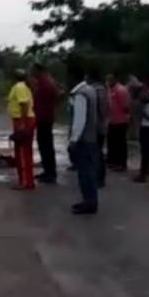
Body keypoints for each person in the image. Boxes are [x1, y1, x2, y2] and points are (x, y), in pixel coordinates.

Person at [68, 69, 100, 214]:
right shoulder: (91, 90)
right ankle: (90, 201)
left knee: (84, 173)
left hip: (83, 139)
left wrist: (73, 140)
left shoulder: (80, 94)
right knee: (89, 171)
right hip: (91, 137)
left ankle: (89, 203)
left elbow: (79, 120)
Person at [30, 63, 60, 184]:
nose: (32, 73)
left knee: (46, 146)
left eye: (33, 71)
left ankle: (50, 173)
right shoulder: (45, 81)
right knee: (44, 146)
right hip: (44, 118)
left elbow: (52, 98)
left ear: (39, 70)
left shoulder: (45, 83)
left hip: (44, 119)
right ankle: (48, 171)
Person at [7, 69, 36, 190]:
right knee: (25, 151)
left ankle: (25, 182)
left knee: (22, 153)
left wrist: (22, 124)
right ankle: (27, 180)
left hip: (22, 120)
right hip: (24, 119)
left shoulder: (19, 87)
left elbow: (23, 104)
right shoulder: (23, 87)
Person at [106, 73, 132, 171]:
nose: (107, 82)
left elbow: (125, 106)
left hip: (121, 121)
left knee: (120, 143)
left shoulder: (121, 90)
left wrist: (125, 116)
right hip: (112, 120)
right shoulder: (111, 90)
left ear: (114, 80)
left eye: (109, 80)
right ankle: (113, 161)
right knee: (112, 142)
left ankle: (121, 163)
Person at [90, 72, 109, 188]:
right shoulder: (101, 89)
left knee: (96, 152)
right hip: (98, 125)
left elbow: (102, 109)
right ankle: (98, 177)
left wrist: (102, 122)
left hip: (97, 126)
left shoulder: (98, 90)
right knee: (96, 152)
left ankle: (99, 178)